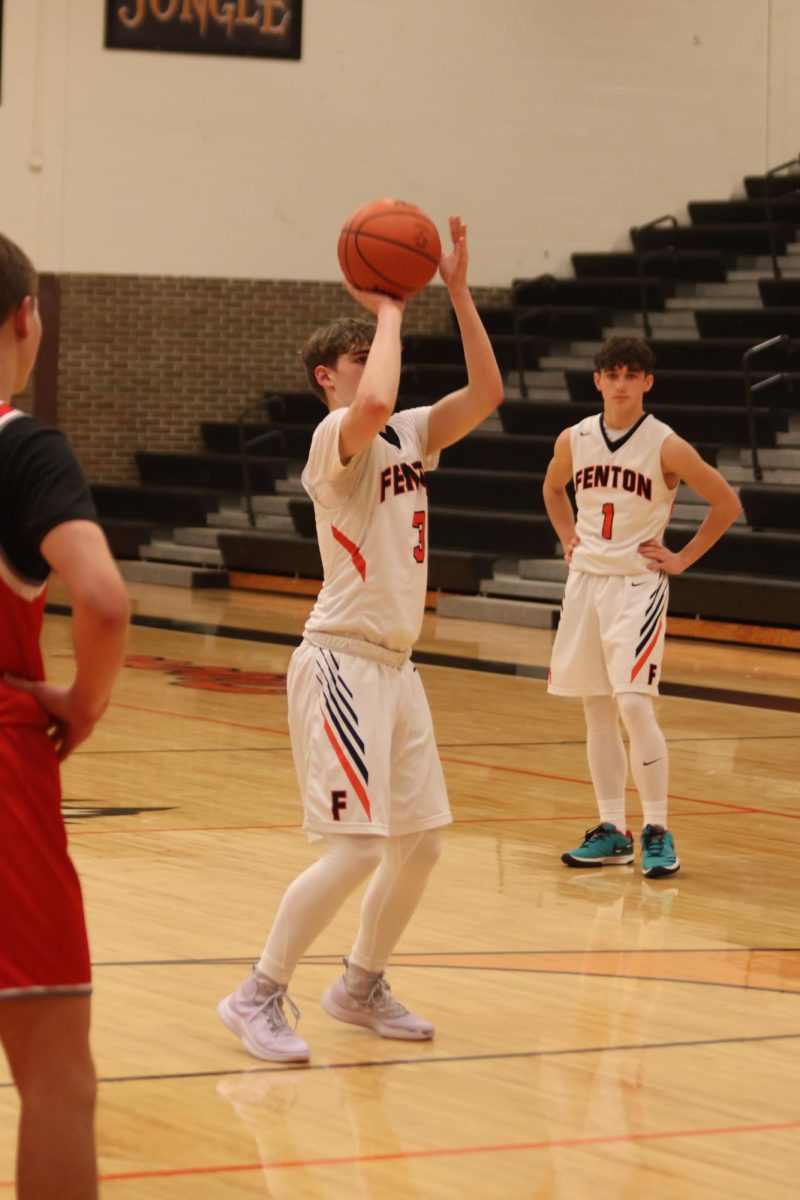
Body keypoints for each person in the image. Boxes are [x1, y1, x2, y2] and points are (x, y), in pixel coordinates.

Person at [218, 214, 504, 1062]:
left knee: (422, 844)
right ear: (326, 378)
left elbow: (486, 394)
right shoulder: (332, 436)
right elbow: (373, 395)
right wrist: (389, 306)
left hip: (396, 667)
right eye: (360, 357)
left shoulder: (408, 434)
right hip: (341, 661)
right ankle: (255, 994)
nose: (377, 366)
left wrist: (453, 292)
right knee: (356, 848)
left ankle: (358, 985)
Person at [0, 234, 130, 1199]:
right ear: (26, 319)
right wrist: (83, 705)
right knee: (53, 1074)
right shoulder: (22, 445)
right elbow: (104, 596)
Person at [542, 336, 741, 878]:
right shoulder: (575, 438)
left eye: (633, 375)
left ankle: (656, 828)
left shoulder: (665, 444)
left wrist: (681, 559)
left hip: (636, 586)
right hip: (586, 584)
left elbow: (727, 503)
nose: (622, 383)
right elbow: (552, 489)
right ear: (598, 381)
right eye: (613, 374)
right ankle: (613, 831)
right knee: (597, 708)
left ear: (648, 383)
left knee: (632, 704)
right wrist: (567, 538)